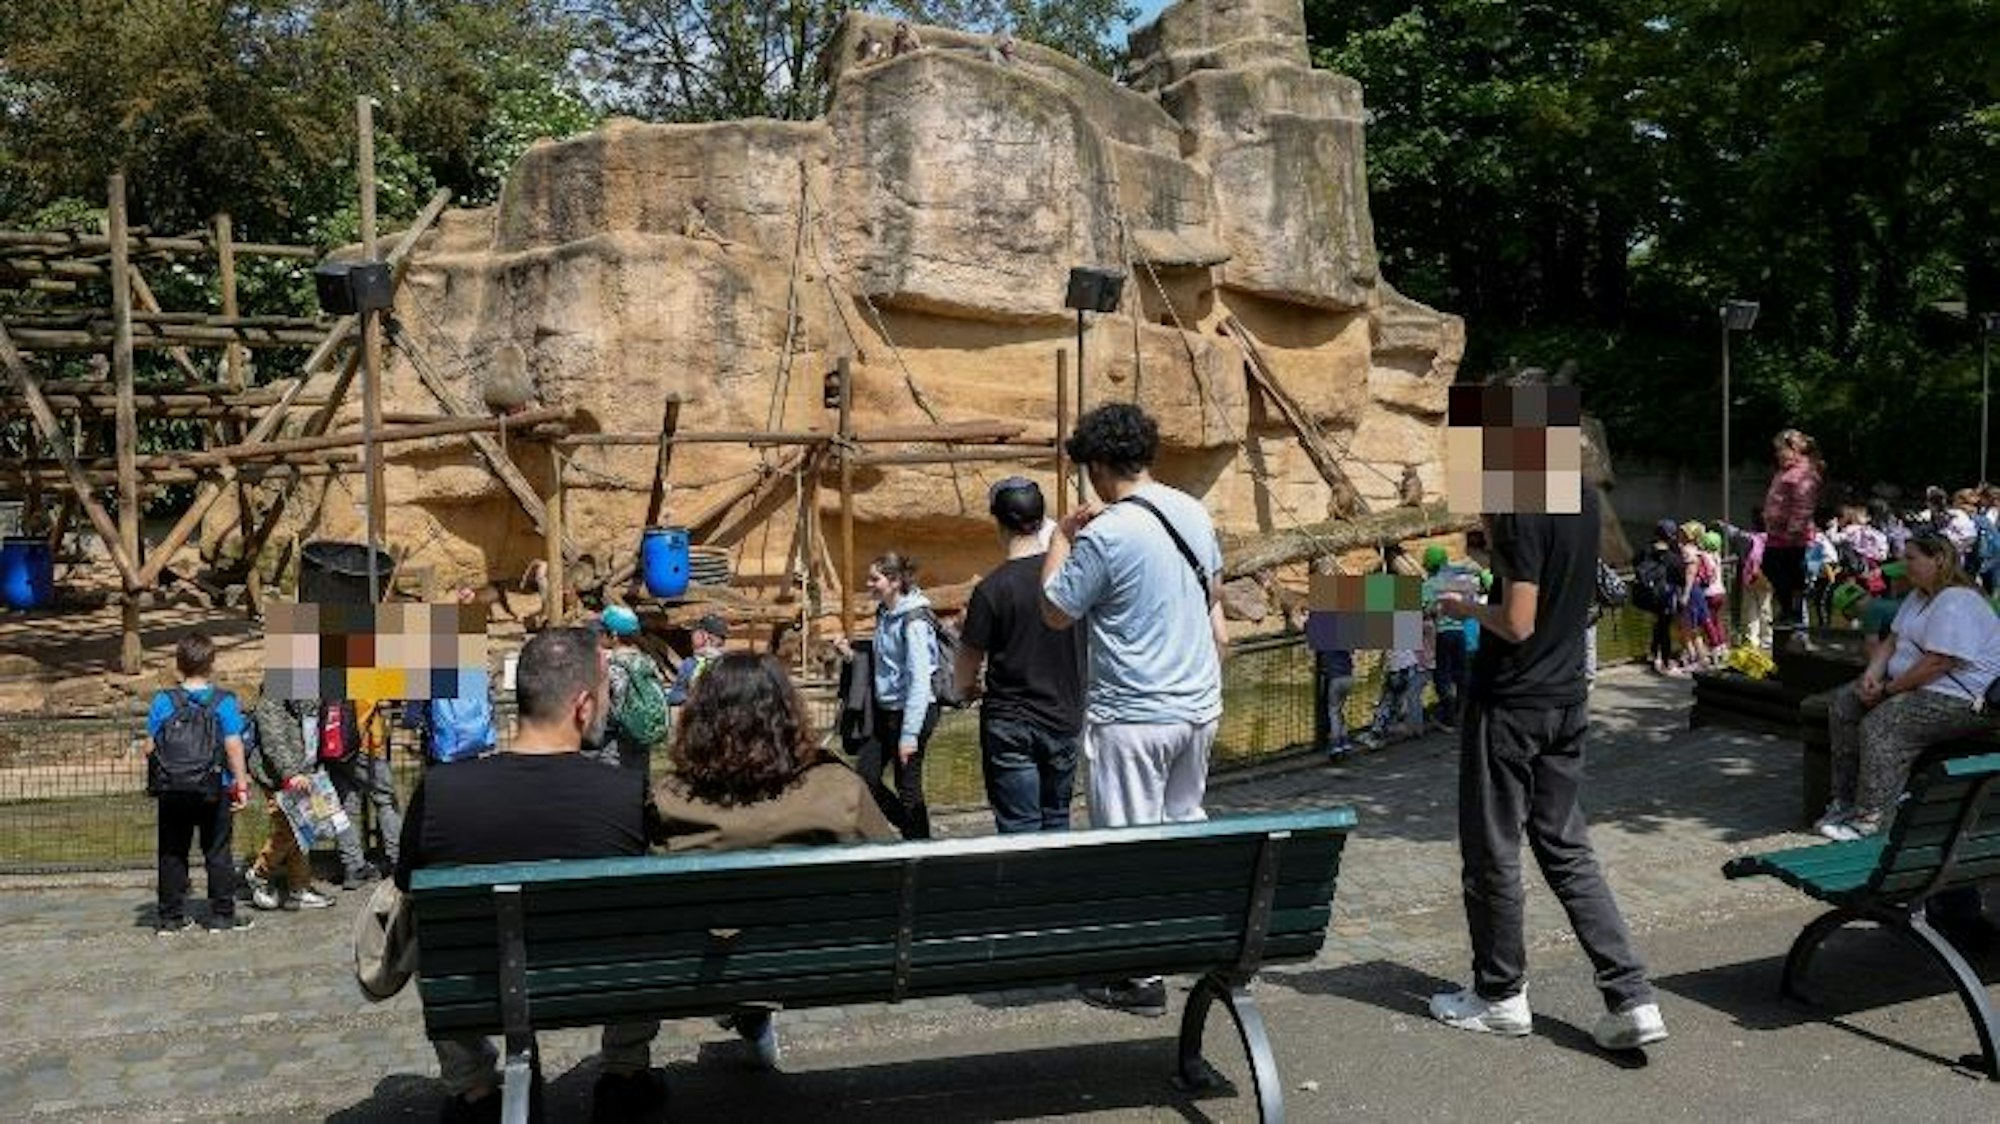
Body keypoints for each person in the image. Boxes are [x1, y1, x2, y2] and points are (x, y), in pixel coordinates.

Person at [1430, 486, 1667, 1051]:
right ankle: (1632, 996)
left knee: (1492, 851)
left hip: (1513, 704)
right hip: (1567, 700)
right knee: (1567, 849)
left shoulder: (1518, 507)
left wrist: (1462, 608)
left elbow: (1517, 623)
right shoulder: (1582, 498)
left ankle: (1499, 994)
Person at [397, 627, 665, 1124]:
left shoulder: (441, 791)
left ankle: (475, 1087)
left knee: (423, 922)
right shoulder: (623, 794)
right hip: (602, 979)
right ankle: (625, 1073)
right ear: (583, 706)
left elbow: (404, 886)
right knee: (646, 924)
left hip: (481, 985)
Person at [1041, 403, 1225, 1018]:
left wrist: (1062, 537)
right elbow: (1214, 603)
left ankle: (1139, 977)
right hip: (1197, 708)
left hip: (1134, 716)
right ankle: (1188, 932)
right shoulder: (1193, 511)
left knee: (1126, 840)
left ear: (1097, 465)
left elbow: (1055, 609)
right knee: (1181, 823)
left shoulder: (1106, 533)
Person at [1818, 534, 2000, 841]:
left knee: (1884, 724)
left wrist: (1888, 692)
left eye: (1912, 558)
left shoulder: (1958, 600)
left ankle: (1871, 819)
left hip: (1963, 698)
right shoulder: (1918, 597)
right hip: (1915, 685)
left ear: (1938, 560)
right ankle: (1844, 800)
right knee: (1844, 703)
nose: (1905, 565)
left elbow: (1938, 662)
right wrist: (1871, 676)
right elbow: (1892, 641)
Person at [957, 477, 1086, 833]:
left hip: (1011, 721)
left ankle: (1022, 888)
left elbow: (965, 668)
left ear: (998, 522)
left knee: (1019, 827)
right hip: (1064, 715)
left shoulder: (991, 589)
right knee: (1057, 817)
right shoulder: (1071, 576)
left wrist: (968, 691)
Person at [145, 634, 252, 934]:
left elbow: (150, 747)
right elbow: (234, 746)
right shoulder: (224, 702)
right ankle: (221, 915)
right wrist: (240, 783)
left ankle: (170, 917)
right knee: (217, 850)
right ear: (211, 663)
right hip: (213, 786)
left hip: (173, 789)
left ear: (179, 664)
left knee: (171, 851)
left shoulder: (162, 701)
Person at [832, 553, 940, 840]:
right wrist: (851, 656)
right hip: (885, 709)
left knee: (908, 787)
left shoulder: (915, 622)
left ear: (894, 581)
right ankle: (911, 832)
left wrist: (909, 735)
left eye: (874, 578)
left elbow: (920, 681)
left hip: (912, 711)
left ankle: (920, 849)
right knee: (865, 779)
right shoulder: (885, 613)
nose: (869, 584)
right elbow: (884, 662)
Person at [243, 694, 341, 911]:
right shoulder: (273, 697)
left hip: (307, 772)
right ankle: (259, 873)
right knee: (289, 829)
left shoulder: (312, 697)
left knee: (303, 832)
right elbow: (273, 739)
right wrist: (290, 773)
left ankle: (299, 889)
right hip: (278, 775)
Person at [321, 696, 401, 890]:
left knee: (345, 808)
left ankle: (353, 868)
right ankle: (398, 861)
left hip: (334, 750)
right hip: (366, 747)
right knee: (386, 801)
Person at [591, 604, 670, 775]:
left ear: (614, 635)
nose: (599, 636)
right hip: (640, 737)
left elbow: (603, 708)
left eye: (602, 632)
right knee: (639, 780)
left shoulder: (611, 667)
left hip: (614, 742)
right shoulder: (648, 662)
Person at [1761, 429, 1825, 629]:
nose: (1777, 454)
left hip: (1792, 536)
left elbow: (1803, 505)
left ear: (1795, 450)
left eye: (1781, 450)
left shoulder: (1804, 474)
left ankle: (1794, 611)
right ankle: (1787, 609)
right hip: (1777, 533)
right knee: (1771, 567)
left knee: (1789, 572)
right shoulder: (1784, 472)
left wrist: (1794, 530)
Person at [1420, 545, 1477, 728]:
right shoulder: (1456, 581)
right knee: (1461, 674)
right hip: (1460, 632)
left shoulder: (1427, 585)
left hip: (1442, 633)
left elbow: (1425, 611)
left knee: (1442, 675)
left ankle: (1448, 715)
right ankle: (1463, 713)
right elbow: (1470, 600)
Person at [665, 613, 729, 708]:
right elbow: (674, 696)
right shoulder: (689, 663)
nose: (691, 636)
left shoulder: (726, 663)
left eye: (695, 632)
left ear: (706, 636)